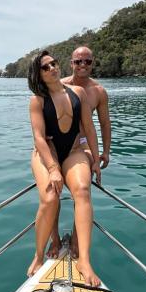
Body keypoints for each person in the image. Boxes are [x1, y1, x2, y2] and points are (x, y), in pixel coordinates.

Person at [28, 50, 102, 287]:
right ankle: (40, 254)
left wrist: (97, 159)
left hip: (71, 151)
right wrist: (52, 168)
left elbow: (89, 129)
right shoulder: (37, 100)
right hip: (46, 154)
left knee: (82, 189)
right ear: (38, 74)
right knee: (50, 198)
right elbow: (39, 137)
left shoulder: (78, 93)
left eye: (54, 63)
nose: (53, 68)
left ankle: (85, 261)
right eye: (46, 67)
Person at [47, 45, 112, 258]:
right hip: (58, 144)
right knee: (52, 192)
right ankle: (54, 239)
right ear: (71, 64)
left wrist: (104, 152)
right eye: (78, 61)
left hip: (82, 144)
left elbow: (103, 124)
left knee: (83, 190)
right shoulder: (59, 85)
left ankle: (77, 240)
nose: (82, 65)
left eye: (87, 61)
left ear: (93, 64)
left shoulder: (98, 92)